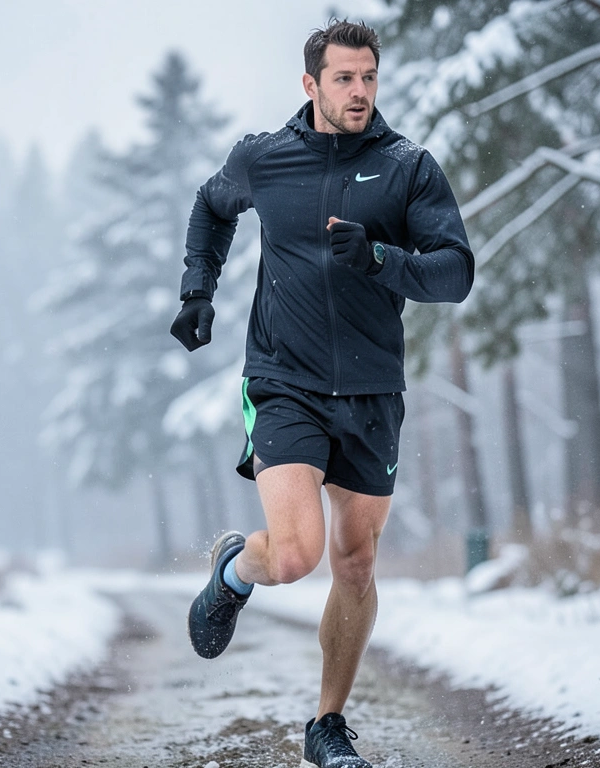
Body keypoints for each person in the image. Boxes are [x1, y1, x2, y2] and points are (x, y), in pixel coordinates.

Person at [170, 19, 473, 768]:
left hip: (372, 390)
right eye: (344, 78)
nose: (360, 91)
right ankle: (239, 569)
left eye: (368, 77)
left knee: (357, 564)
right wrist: (196, 291)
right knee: (299, 552)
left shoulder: (407, 167)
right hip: (283, 380)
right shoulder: (265, 158)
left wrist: (378, 257)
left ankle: (326, 727)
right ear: (310, 85)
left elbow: (454, 273)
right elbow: (212, 207)